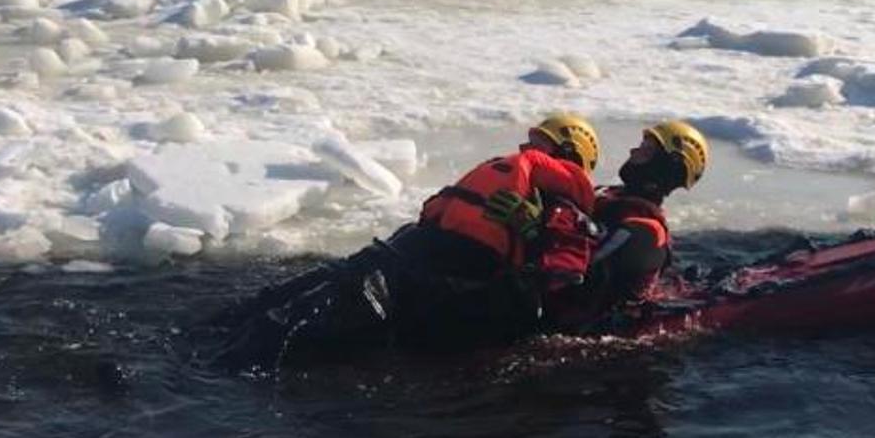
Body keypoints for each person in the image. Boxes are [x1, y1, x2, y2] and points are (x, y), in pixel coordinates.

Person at [210, 114, 602, 370]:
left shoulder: (563, 209)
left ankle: (236, 363)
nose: (523, 150)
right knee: (306, 290)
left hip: (442, 277)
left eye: (539, 143)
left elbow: (563, 275)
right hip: (414, 256)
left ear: (568, 156)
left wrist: (533, 233)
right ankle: (226, 334)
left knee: (326, 307)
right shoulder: (525, 188)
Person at [549, 120, 710, 331]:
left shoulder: (646, 232)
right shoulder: (606, 196)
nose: (633, 151)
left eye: (647, 150)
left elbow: (575, 277)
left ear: (668, 166)